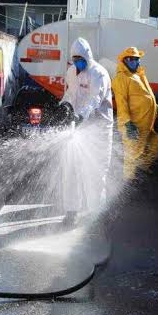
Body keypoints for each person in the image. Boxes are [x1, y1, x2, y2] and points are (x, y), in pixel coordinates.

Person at [60, 38, 113, 224]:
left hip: (99, 129)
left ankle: (95, 215)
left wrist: (81, 115)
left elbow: (95, 100)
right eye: (74, 59)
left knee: (96, 173)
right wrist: (65, 106)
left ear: (88, 56)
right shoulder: (71, 72)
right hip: (78, 128)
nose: (77, 63)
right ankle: (71, 211)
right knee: (71, 169)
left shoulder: (99, 74)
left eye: (80, 59)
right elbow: (70, 94)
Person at [112, 46, 158, 180]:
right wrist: (128, 123)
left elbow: (145, 94)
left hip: (145, 122)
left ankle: (141, 169)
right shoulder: (121, 78)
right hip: (133, 123)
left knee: (153, 145)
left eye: (137, 59)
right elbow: (121, 104)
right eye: (132, 59)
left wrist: (155, 105)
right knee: (131, 152)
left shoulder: (137, 75)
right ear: (124, 61)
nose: (135, 62)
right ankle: (129, 180)